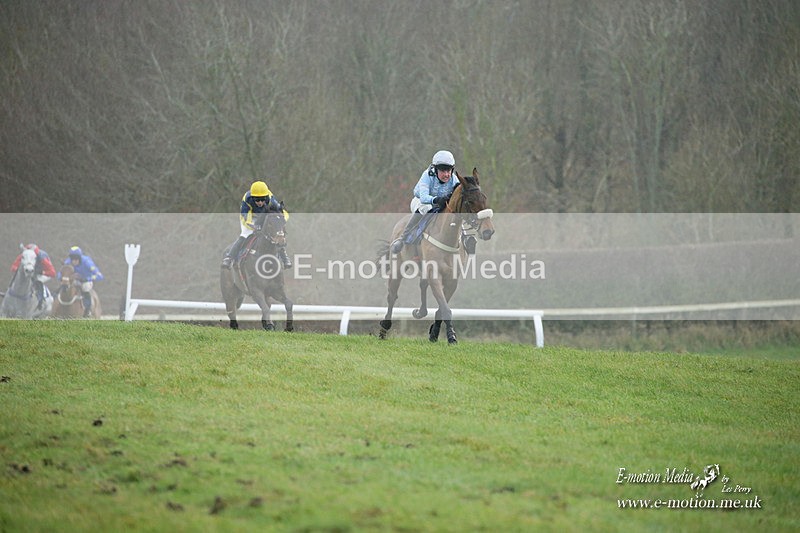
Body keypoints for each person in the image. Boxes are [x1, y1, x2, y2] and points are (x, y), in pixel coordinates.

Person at [390, 150, 461, 254]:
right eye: (442, 171)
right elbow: (423, 198)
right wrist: (436, 200)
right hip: (420, 202)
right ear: (435, 170)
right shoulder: (427, 176)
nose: (446, 174)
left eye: (448, 171)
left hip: (439, 204)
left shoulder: (454, 179)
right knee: (426, 208)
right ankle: (403, 237)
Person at [221, 180, 292, 270]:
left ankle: (284, 257)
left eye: (263, 199)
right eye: (257, 200)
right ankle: (229, 257)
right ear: (252, 198)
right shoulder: (247, 199)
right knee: (245, 235)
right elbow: (246, 216)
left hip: (264, 218)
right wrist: (254, 226)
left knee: (275, 235)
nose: (260, 202)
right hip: (249, 218)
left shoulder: (271, 199)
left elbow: (283, 213)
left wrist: (281, 221)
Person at [59, 246, 104, 317]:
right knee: (64, 286)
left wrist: (86, 278)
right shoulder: (68, 261)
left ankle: (88, 309)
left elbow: (99, 276)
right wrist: (61, 278)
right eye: (72, 259)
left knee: (85, 287)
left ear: (80, 258)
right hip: (74, 281)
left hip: (86, 281)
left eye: (76, 259)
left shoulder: (87, 262)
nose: (74, 261)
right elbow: (62, 272)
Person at [10, 243, 56, 310]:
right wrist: (19, 270)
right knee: (18, 277)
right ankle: (9, 292)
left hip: (43, 273)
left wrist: (41, 272)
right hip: (30, 270)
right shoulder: (24, 255)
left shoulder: (42, 257)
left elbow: (53, 273)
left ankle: (40, 301)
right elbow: (13, 267)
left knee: (38, 280)